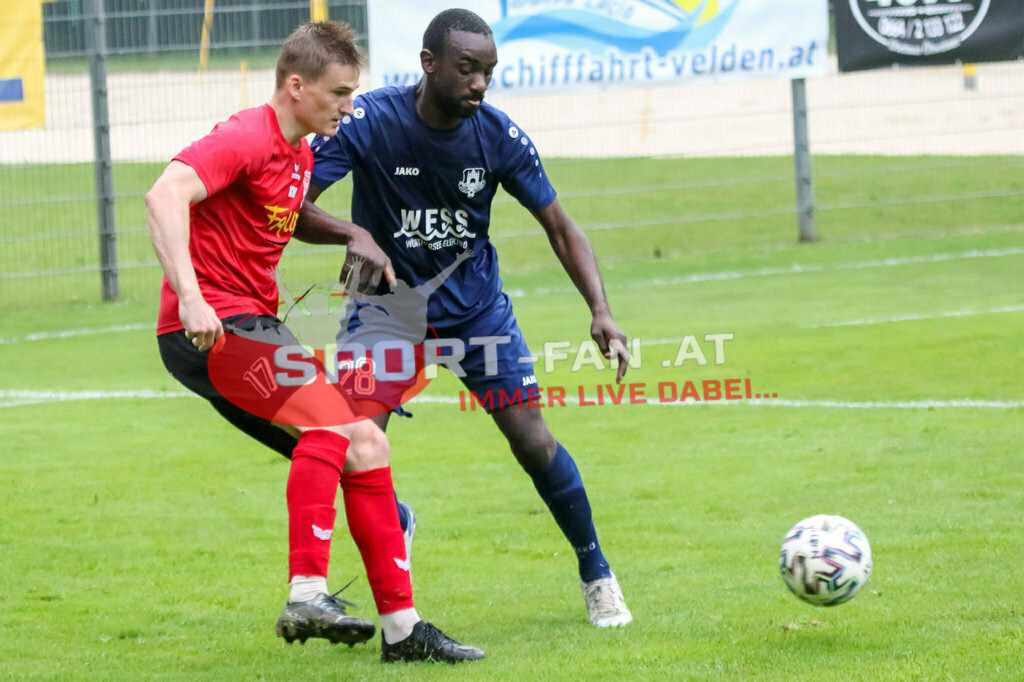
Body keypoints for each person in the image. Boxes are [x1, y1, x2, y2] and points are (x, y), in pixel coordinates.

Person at [145, 21, 484, 663]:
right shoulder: (246, 133)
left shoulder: (300, 153)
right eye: (339, 93)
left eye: (354, 94)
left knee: (365, 442)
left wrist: (352, 236)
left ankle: (404, 633)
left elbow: (283, 217)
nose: (349, 107)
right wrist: (189, 295)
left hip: (250, 321)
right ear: (296, 86)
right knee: (331, 422)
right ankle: (307, 591)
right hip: (213, 323)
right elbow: (165, 194)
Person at [302, 9, 633, 627]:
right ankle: (394, 529)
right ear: (429, 65)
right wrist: (356, 234)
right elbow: (293, 206)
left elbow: (560, 226)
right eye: (467, 69)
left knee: (532, 440)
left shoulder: (498, 137)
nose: (481, 83)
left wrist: (601, 310)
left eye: (488, 71)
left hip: (476, 313)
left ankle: (597, 573)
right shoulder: (371, 121)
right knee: (353, 440)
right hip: (385, 312)